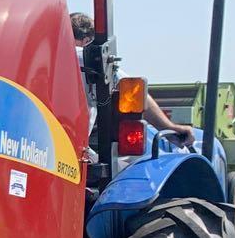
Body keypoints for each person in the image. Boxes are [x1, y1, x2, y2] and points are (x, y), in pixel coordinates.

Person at [70, 12, 193, 147]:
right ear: (87, 41)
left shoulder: (48, 56)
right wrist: (168, 128)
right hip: (70, 152)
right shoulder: (87, 58)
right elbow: (133, 89)